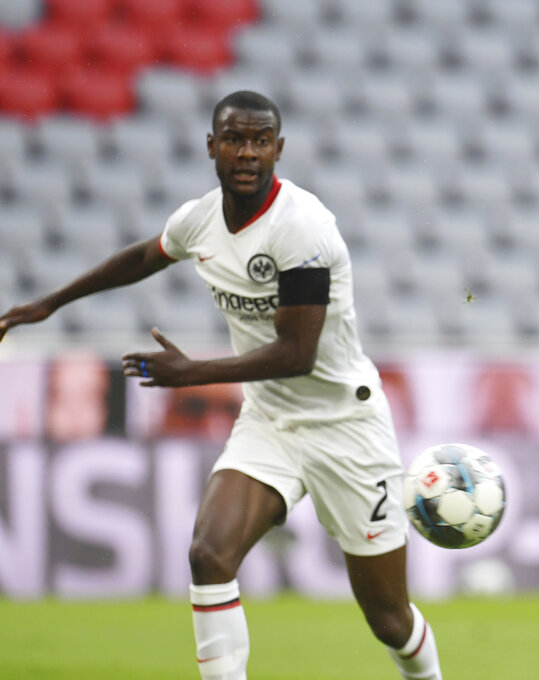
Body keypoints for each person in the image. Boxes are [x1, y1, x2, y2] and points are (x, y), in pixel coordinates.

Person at [0, 91, 443, 680]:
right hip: (270, 423)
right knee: (208, 555)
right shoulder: (200, 219)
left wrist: (193, 374)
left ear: (279, 150)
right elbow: (143, 256)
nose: (247, 152)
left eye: (261, 140)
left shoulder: (302, 228)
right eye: (235, 139)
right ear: (212, 146)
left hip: (347, 426)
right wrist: (49, 304)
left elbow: (297, 354)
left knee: (388, 618)